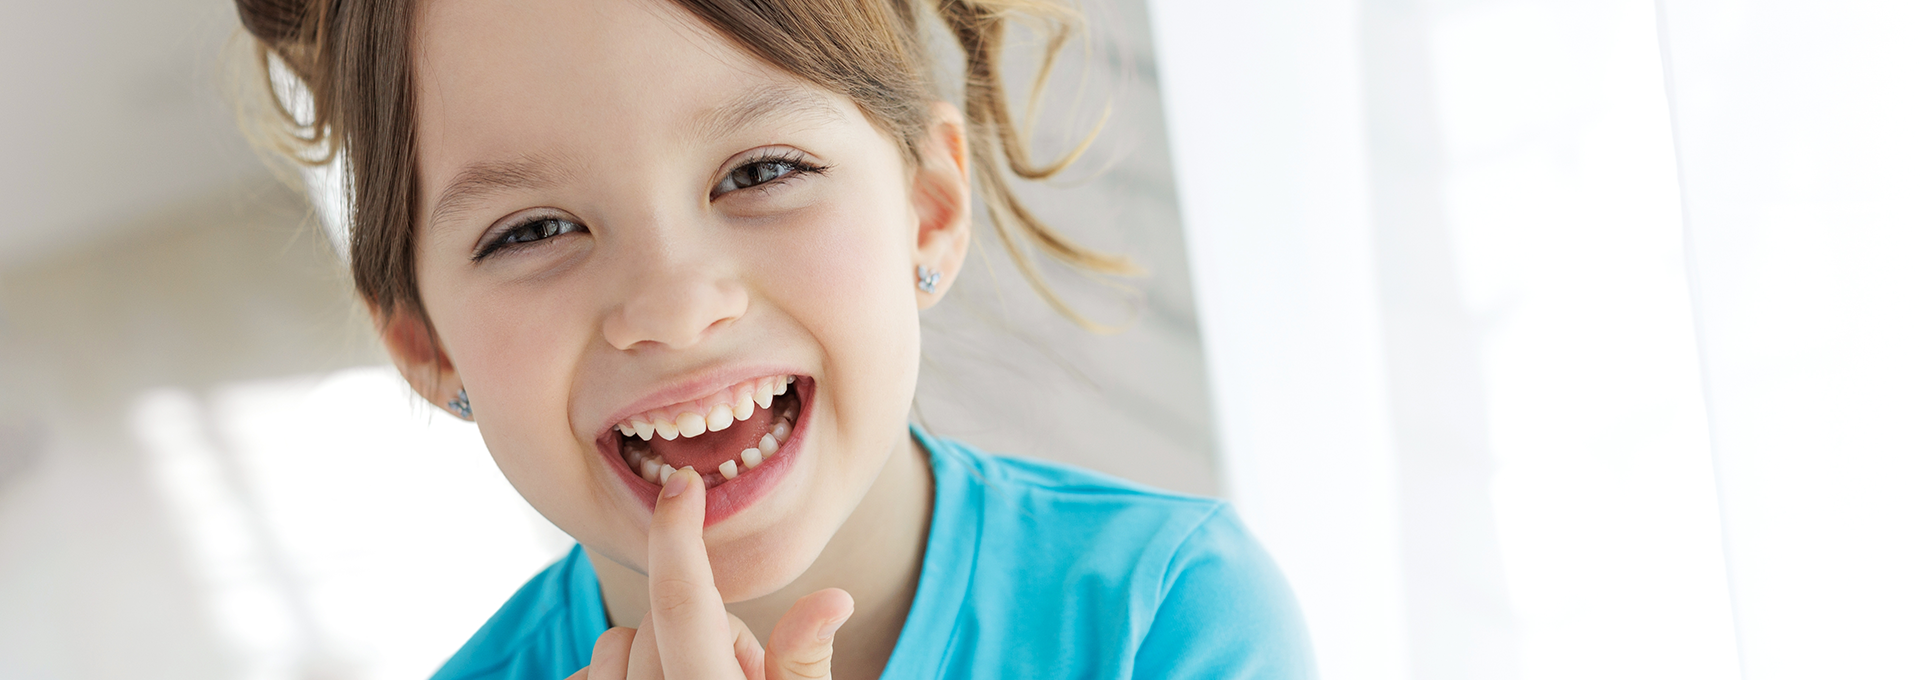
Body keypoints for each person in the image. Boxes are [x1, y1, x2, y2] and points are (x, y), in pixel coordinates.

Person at [231, 0, 1314, 677]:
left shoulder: (1168, 621)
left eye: (761, 172)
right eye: (534, 230)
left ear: (927, 210)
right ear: (427, 344)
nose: (672, 305)